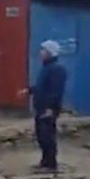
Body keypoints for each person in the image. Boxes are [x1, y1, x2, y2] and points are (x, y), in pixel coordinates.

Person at [25, 40, 67, 172]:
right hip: (40, 107)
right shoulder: (46, 67)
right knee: (41, 136)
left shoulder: (57, 69)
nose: (40, 52)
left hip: (48, 109)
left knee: (47, 136)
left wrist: (50, 108)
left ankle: (51, 164)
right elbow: (41, 87)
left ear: (50, 53)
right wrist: (29, 91)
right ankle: (44, 161)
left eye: (43, 50)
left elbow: (55, 91)